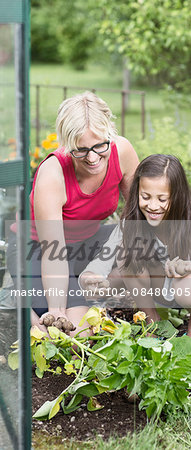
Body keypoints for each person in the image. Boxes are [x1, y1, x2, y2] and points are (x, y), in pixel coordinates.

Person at [7, 91, 139, 334]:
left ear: (110, 131)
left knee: (138, 241)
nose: (92, 158)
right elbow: (52, 251)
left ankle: (83, 295)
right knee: (70, 331)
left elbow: (135, 216)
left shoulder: (123, 152)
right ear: (67, 143)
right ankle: (24, 303)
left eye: (100, 146)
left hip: (86, 243)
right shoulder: (52, 174)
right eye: (80, 149)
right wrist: (57, 310)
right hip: (36, 250)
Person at [79, 154, 191, 337]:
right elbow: (102, 261)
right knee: (125, 256)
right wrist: (90, 276)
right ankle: (152, 323)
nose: (153, 206)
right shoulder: (133, 222)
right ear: (137, 193)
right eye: (146, 197)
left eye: (162, 199)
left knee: (188, 285)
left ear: (178, 196)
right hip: (161, 288)